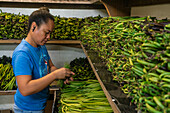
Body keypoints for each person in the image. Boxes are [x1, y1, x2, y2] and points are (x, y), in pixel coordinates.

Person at [12, 7, 74, 113]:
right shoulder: (22, 54)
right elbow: (25, 89)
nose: (48, 37)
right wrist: (54, 75)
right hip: (27, 109)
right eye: (46, 33)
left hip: (39, 106)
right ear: (34, 27)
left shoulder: (41, 47)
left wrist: (62, 74)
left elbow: (50, 67)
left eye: (50, 33)